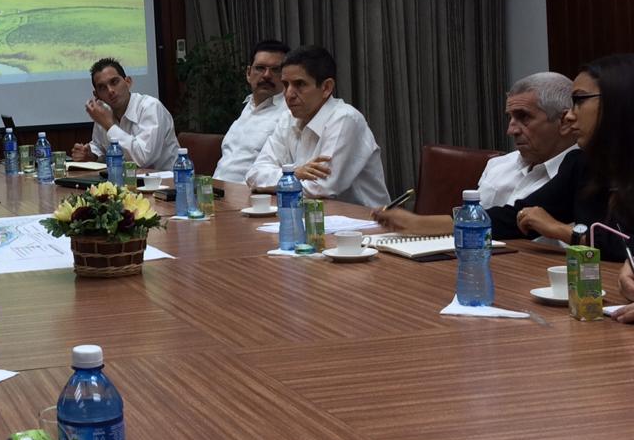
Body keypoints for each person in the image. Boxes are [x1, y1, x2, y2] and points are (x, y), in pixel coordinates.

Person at [372, 72, 574, 238]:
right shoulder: (499, 165)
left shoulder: (582, 174)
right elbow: (475, 216)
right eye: (510, 118)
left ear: (564, 121)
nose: (511, 130)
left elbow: (508, 221)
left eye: (524, 117)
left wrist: (420, 224)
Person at [490, 54, 634, 264]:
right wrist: (463, 222)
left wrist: (564, 231)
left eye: (578, 101)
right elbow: (516, 219)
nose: (568, 116)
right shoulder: (583, 165)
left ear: (618, 101)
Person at [246, 44, 389, 207]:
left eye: (299, 84)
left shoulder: (345, 119)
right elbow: (254, 175)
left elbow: (321, 189)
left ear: (326, 87)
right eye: (285, 85)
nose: (289, 94)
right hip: (313, 217)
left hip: (365, 225)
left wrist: (284, 177)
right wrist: (296, 174)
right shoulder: (287, 118)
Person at [69, 58, 180, 170]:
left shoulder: (150, 107)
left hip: (167, 183)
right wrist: (90, 154)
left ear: (128, 82)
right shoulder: (105, 111)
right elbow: (99, 146)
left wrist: (109, 126)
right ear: (96, 95)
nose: (110, 90)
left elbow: (143, 159)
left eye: (114, 82)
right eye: (102, 88)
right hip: (127, 182)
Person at [213, 40, 290, 182]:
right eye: (260, 68)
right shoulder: (248, 106)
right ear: (248, 73)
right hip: (215, 191)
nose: (267, 75)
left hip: (250, 197)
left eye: (275, 70)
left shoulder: (289, 113)